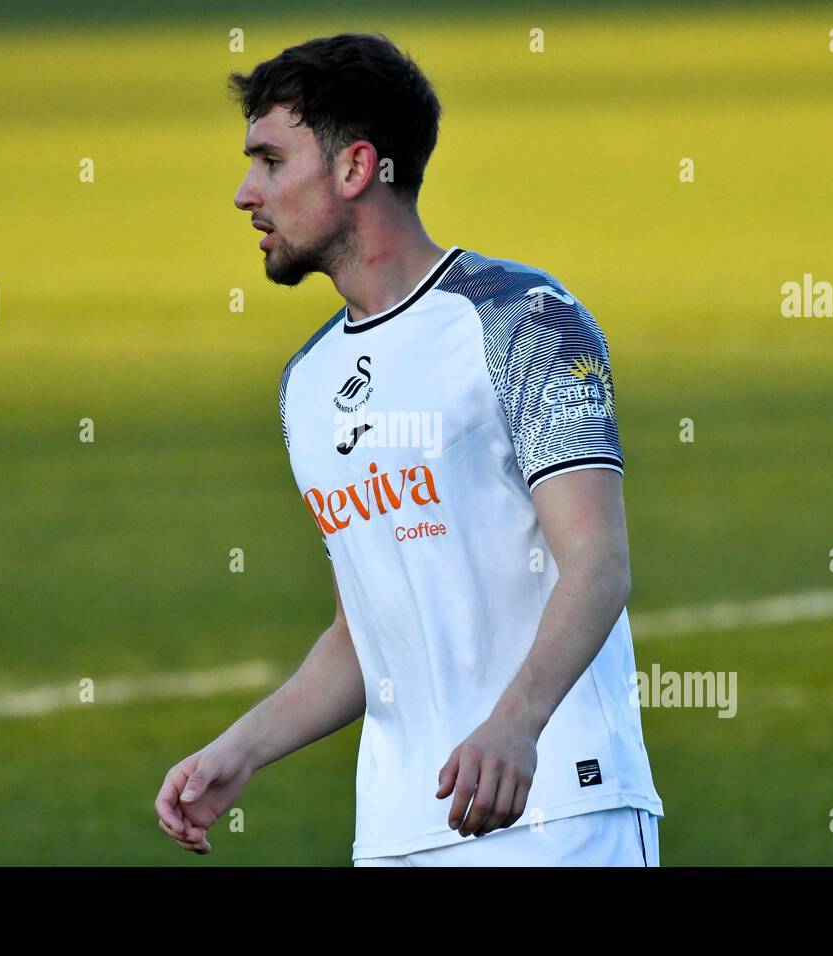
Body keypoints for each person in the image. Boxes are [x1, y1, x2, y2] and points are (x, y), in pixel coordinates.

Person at [155, 32, 663, 866]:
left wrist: (514, 724)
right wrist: (239, 749)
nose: (246, 193)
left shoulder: (522, 319)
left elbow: (597, 562)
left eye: (270, 162)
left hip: (559, 809)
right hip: (396, 833)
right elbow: (367, 629)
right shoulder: (307, 385)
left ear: (356, 170)